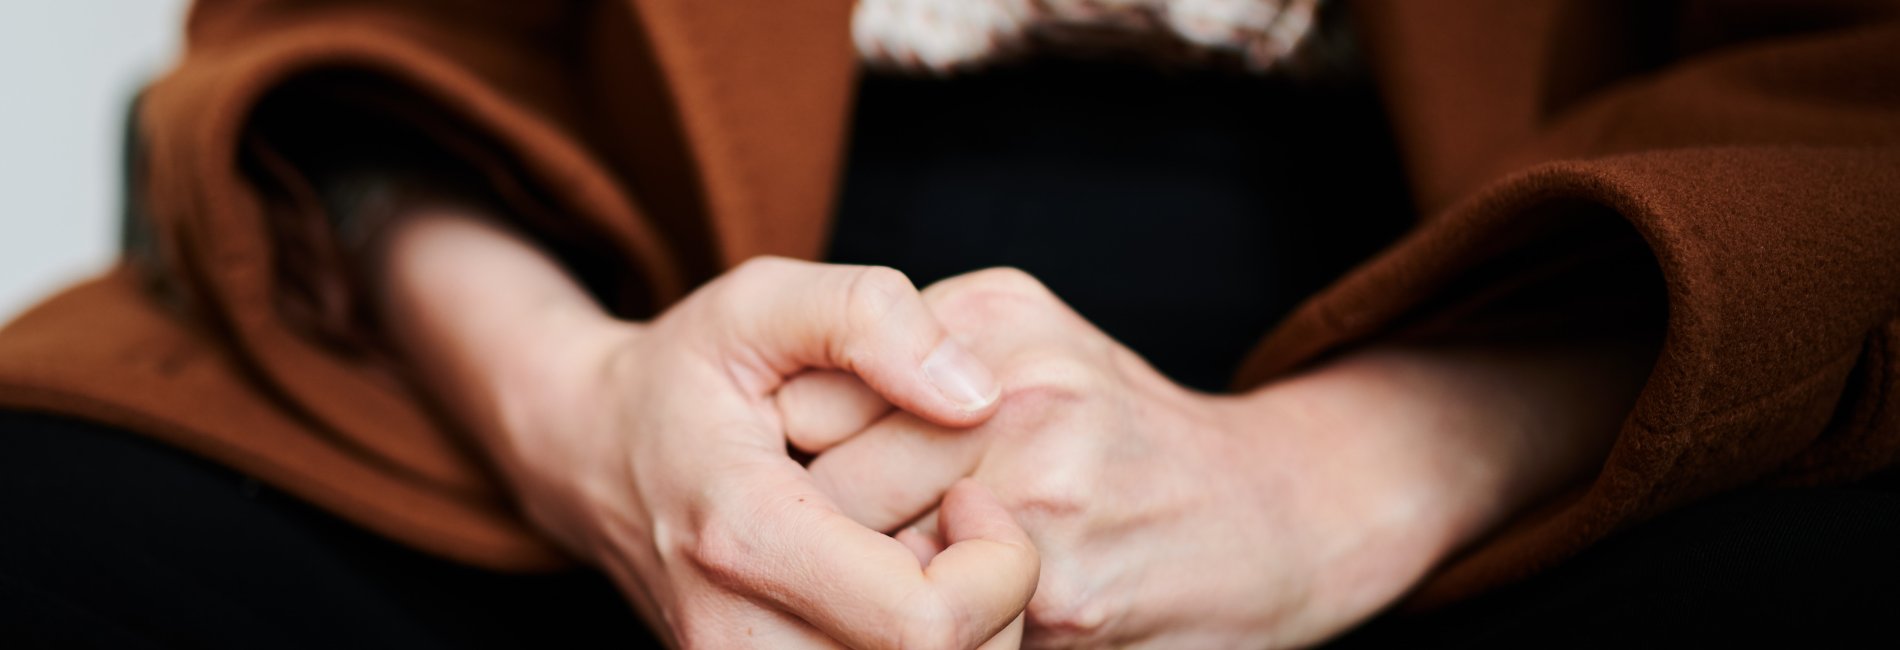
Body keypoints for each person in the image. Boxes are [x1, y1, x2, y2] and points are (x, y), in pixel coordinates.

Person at [1, 0, 1897, 646]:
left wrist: (1344, 472)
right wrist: (585, 414)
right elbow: (362, 46)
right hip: (612, 250)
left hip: (1504, 277)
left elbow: (1849, 111)